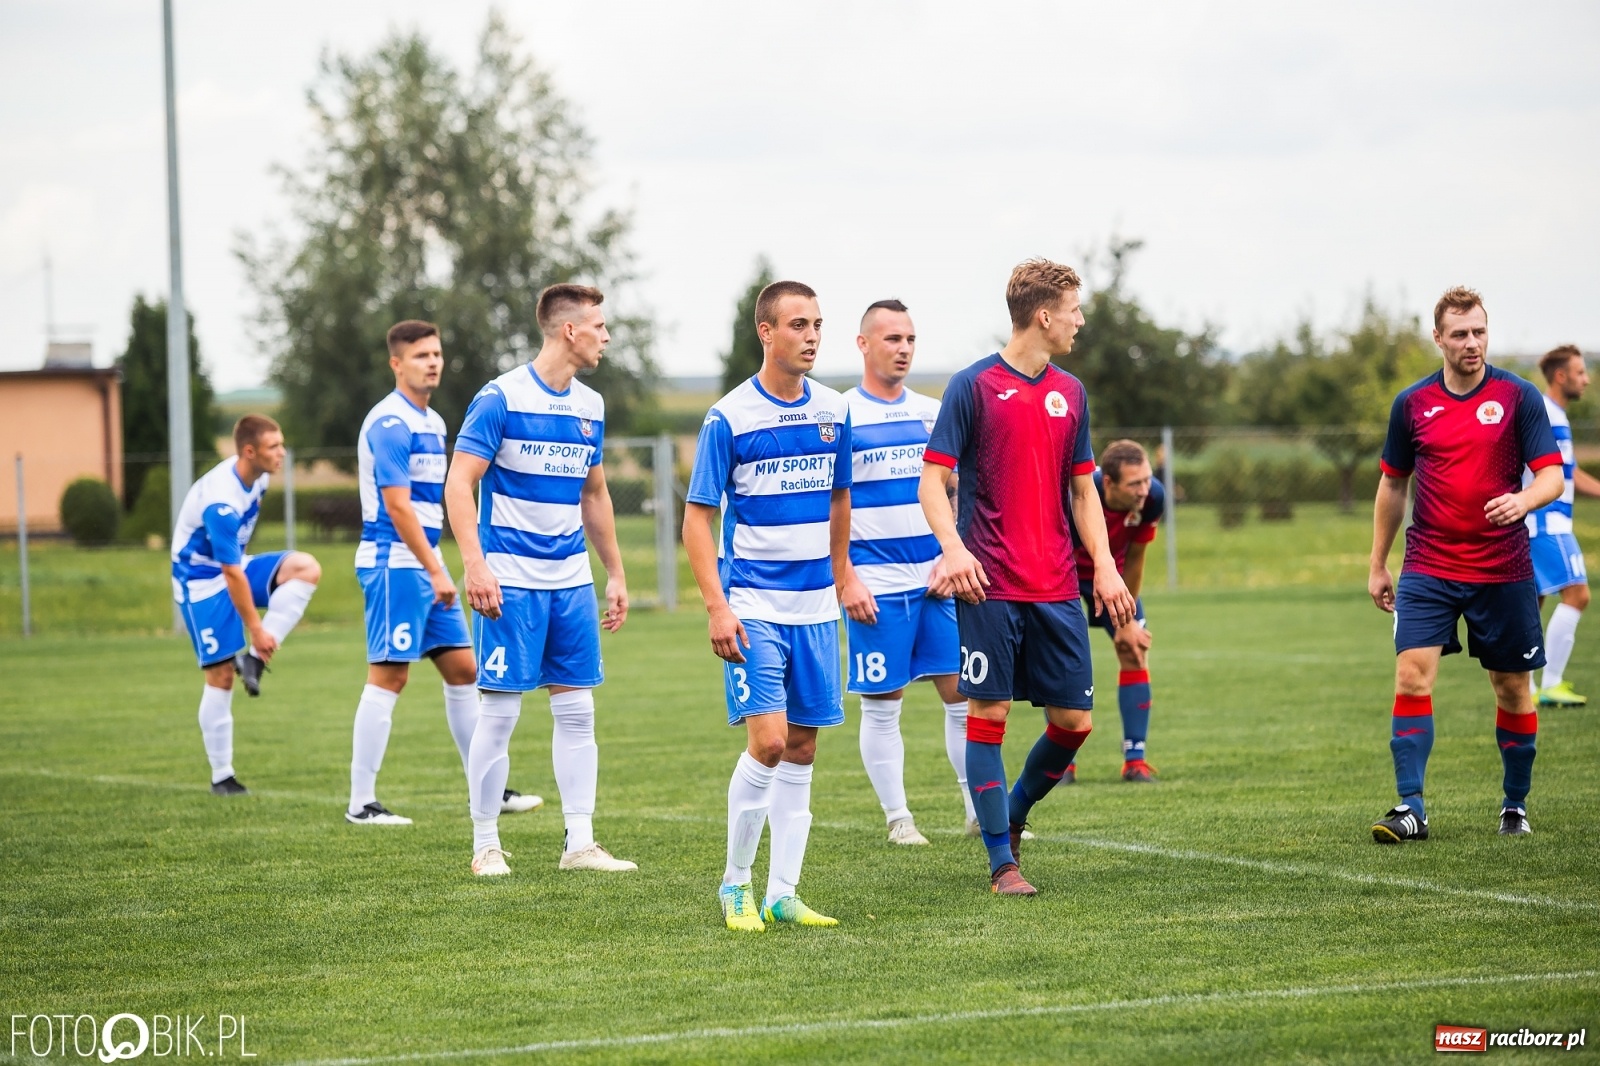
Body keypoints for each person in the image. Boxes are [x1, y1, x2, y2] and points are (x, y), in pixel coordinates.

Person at [919, 259, 1136, 896]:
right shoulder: (973, 386)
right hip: (989, 585)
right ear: (1044, 315)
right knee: (987, 714)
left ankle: (1010, 816)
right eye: (1073, 309)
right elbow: (932, 482)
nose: (1080, 320)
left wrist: (1105, 567)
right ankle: (1001, 863)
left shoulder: (1072, 392)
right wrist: (954, 549)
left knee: (1075, 722)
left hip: (1057, 586)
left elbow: (1084, 491)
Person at [443, 284, 634, 876]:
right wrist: (475, 564)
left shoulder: (591, 406)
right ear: (569, 330)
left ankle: (580, 843)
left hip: (571, 583)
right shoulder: (501, 397)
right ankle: (485, 844)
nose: (606, 336)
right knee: (499, 714)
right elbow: (458, 483)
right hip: (511, 582)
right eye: (598, 326)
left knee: (578, 713)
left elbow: (595, 492)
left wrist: (615, 573)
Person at [684, 279, 855, 932]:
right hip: (753, 604)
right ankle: (735, 886)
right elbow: (698, 520)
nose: (811, 336)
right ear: (766, 332)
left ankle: (784, 892)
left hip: (816, 610)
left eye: (817, 325)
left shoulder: (835, 410)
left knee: (804, 748)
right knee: (770, 741)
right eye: (798, 325)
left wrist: (842, 578)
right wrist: (716, 607)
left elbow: (840, 499)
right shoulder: (729, 418)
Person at [1368, 286, 1562, 843]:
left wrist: (1524, 500)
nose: (1472, 343)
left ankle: (1514, 804)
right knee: (1411, 675)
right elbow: (1392, 483)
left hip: (1503, 569)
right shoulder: (1412, 404)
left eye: (1479, 331)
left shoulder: (1519, 397)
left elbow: (1550, 473)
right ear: (1438, 339)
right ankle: (1411, 808)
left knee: (1511, 688)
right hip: (1428, 564)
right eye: (1460, 334)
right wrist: (1379, 562)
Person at [344, 320, 541, 825]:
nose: (432, 362)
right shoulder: (390, 423)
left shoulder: (432, 422)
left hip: (424, 566)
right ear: (396, 363)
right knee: (389, 675)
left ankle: (487, 789)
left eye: (436, 353)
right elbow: (398, 506)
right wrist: (438, 570)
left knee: (463, 671)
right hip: (396, 565)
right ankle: (361, 803)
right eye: (420, 355)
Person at [840, 299, 973, 845]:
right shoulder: (840, 415)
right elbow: (829, 504)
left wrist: (952, 551)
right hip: (876, 585)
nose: (903, 349)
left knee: (963, 696)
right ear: (864, 344)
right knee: (883, 705)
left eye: (910, 339)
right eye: (892, 338)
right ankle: (899, 819)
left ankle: (977, 810)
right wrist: (845, 575)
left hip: (937, 579)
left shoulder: (930, 412)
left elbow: (957, 488)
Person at [171, 415, 322, 794]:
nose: (282, 453)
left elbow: (237, 563)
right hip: (200, 581)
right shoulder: (221, 502)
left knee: (305, 568)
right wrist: (257, 627)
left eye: (282, 444)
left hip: (234, 566)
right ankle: (222, 776)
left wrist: (258, 637)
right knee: (220, 676)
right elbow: (231, 573)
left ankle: (253, 659)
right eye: (274, 447)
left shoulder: (260, 479)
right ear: (249, 451)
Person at [1065, 439, 1165, 783]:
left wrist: (1127, 621)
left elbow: (1136, 558)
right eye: (1134, 483)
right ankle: (1063, 764)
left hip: (1115, 581)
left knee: (1134, 649)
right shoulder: (1074, 493)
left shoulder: (1153, 499)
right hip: (1064, 579)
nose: (1144, 490)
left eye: (1147, 479)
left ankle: (1134, 760)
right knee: (1065, 661)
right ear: (1108, 483)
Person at [1526, 345, 1598, 707]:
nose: (1586, 379)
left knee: (1530, 605)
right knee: (1578, 594)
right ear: (1561, 376)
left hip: (1542, 522)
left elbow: (1567, 473)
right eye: (1581, 372)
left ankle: (1526, 689)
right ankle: (1550, 683)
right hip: (1545, 521)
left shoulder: (1555, 414)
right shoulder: (1546, 414)